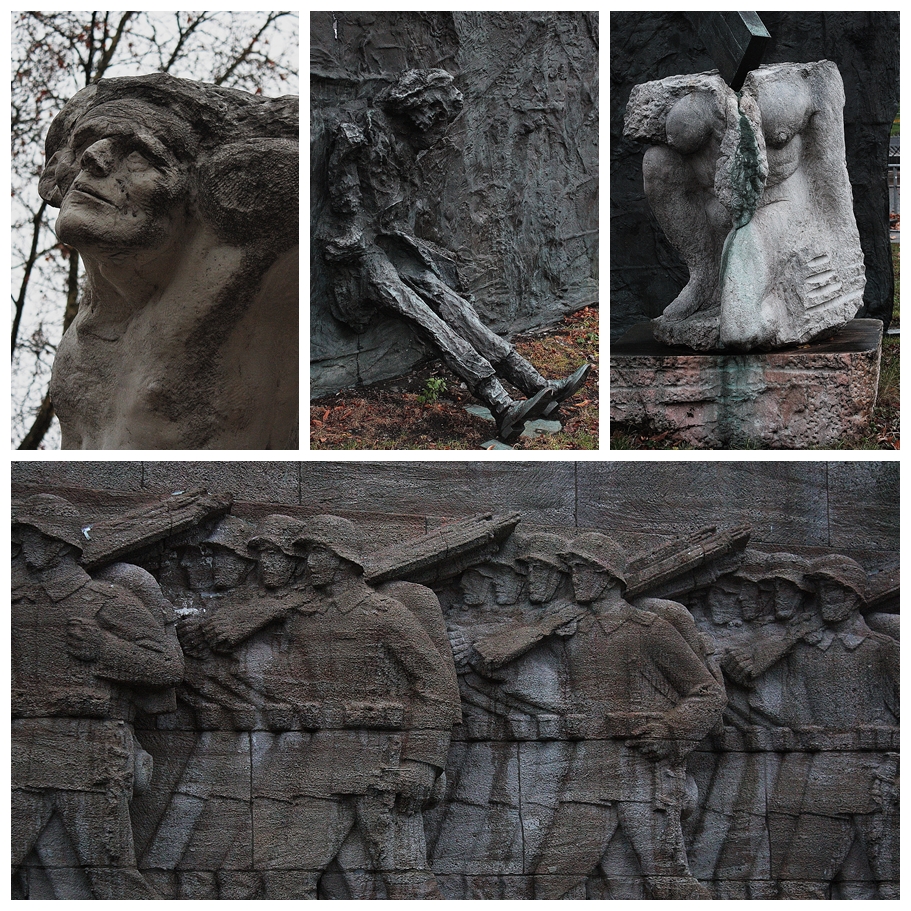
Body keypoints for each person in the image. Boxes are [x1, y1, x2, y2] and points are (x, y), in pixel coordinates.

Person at [318, 68, 590, 442]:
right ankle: (498, 402)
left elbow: (388, 210)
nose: (432, 118)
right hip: (356, 255)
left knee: (454, 306)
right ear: (409, 100)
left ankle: (534, 382)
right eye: (429, 106)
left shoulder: (403, 146)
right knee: (429, 319)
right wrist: (343, 160)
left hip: (385, 244)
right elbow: (345, 205)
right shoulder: (361, 133)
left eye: (440, 114)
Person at [39, 72, 299, 449]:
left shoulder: (240, 278)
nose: (93, 158)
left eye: (140, 156)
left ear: (192, 193)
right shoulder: (75, 353)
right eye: (87, 143)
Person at [528, 534, 725, 899]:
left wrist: (671, 732)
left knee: (667, 880)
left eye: (582, 571)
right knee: (552, 880)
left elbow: (709, 692)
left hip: (645, 774)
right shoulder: (573, 630)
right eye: (573, 571)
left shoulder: (651, 630)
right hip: (588, 772)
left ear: (606, 577)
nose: (574, 580)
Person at [12, 495, 184, 899]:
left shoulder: (106, 602)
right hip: (19, 753)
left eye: (30, 537)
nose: (21, 546)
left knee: (112, 876)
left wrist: (104, 649)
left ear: (58, 544)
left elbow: (168, 667)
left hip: (88, 753)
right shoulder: (14, 603)